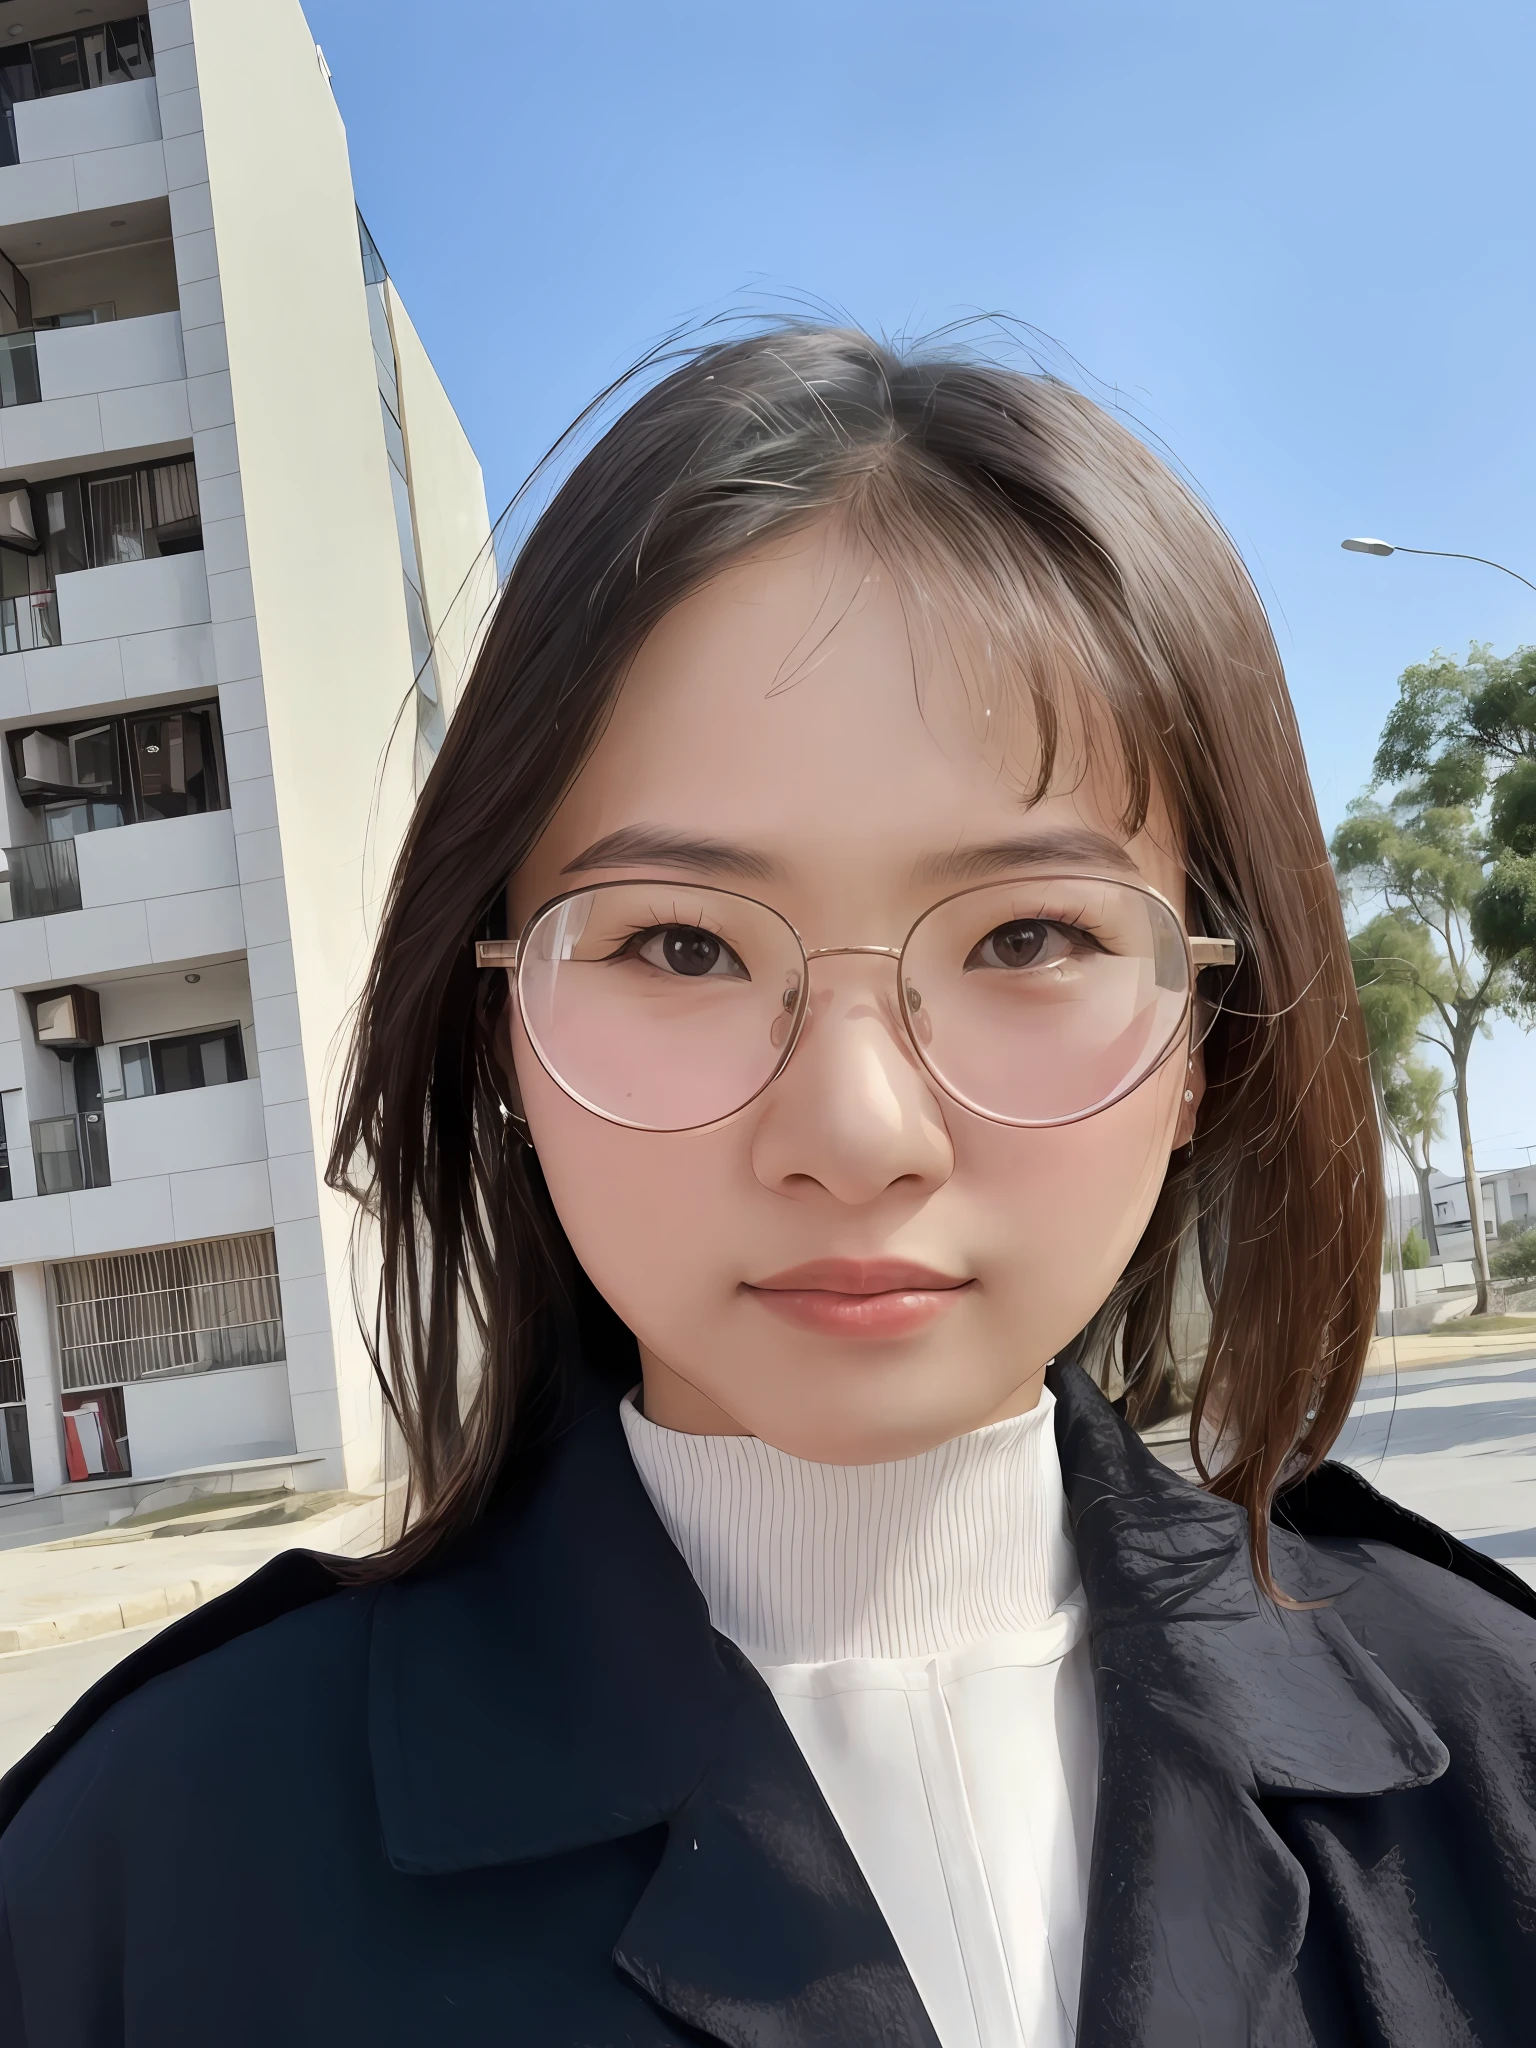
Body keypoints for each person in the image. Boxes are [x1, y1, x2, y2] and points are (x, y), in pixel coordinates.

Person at [2, 326, 1533, 2048]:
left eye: (1032, 934)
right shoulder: (143, 1882)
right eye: (679, 942)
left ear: (1203, 1036)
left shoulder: (1494, 1752)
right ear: (501, 1027)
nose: (860, 1128)